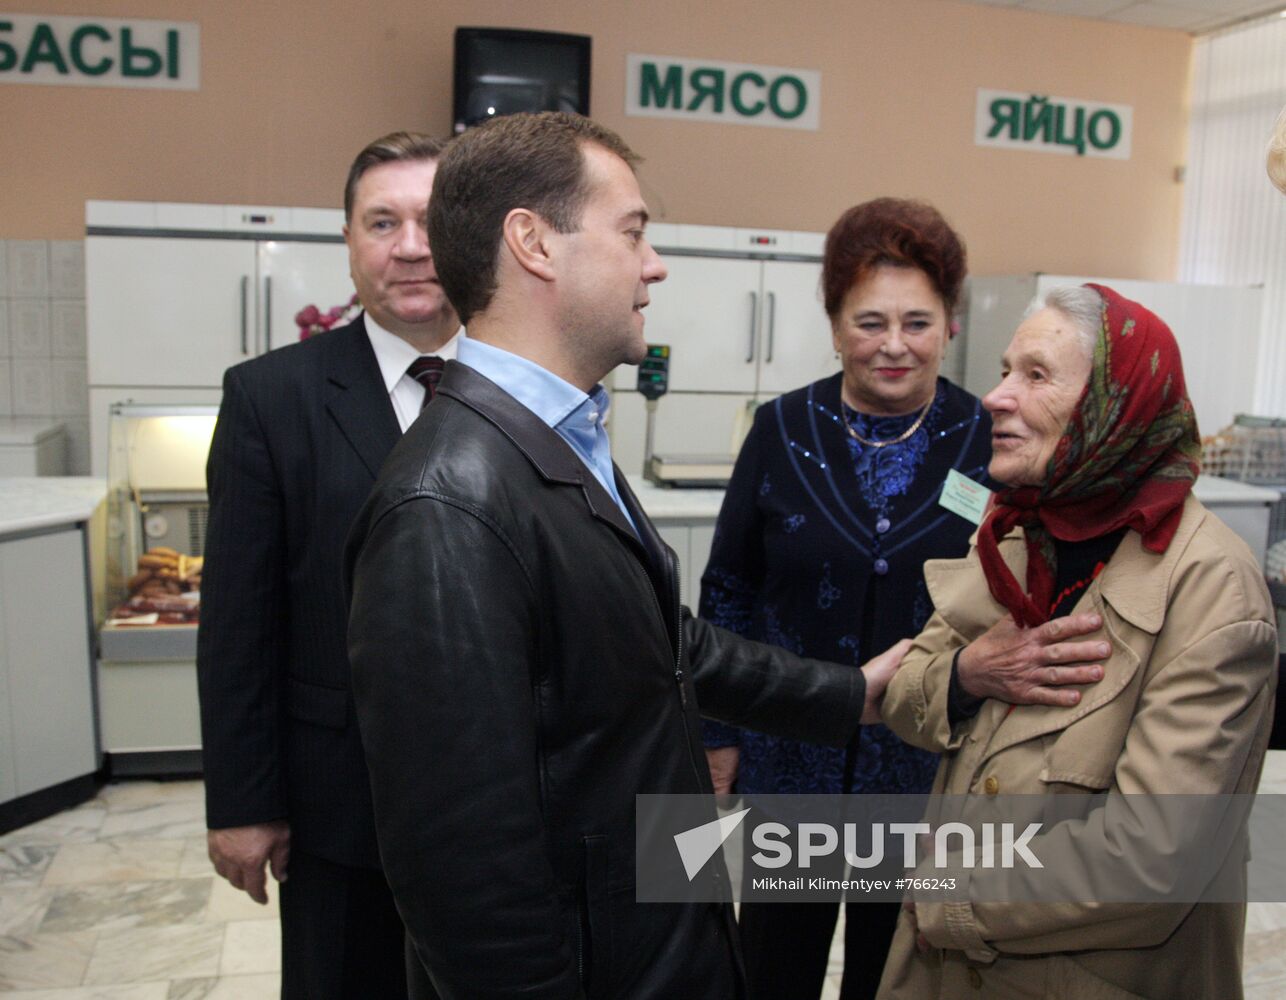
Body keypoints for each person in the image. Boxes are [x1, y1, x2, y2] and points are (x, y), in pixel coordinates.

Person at [344, 111, 910, 1000]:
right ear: (532, 243)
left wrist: (850, 695)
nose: (655, 264)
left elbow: (659, 646)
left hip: (651, 936)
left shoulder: (552, 442)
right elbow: (463, 876)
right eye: (634, 232)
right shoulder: (447, 503)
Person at [877, 284, 1278, 999]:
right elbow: (906, 699)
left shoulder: (1211, 587)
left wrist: (948, 893)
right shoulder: (1017, 535)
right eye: (1004, 371)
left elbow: (1152, 858)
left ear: (1115, 407)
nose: (996, 397)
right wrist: (968, 674)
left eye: (1034, 376)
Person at [699, 197, 993, 999]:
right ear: (833, 326)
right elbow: (727, 586)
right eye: (869, 321)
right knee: (774, 968)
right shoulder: (781, 426)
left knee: (898, 968)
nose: (894, 345)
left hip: (924, 766)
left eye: (917, 322)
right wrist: (718, 732)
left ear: (950, 326)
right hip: (788, 756)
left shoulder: (984, 436)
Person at [197, 131, 461, 999]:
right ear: (348, 242)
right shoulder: (272, 398)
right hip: (339, 806)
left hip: (497, 808)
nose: (411, 246)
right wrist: (242, 802)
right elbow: (238, 621)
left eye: (430, 220)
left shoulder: (532, 388)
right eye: (383, 222)